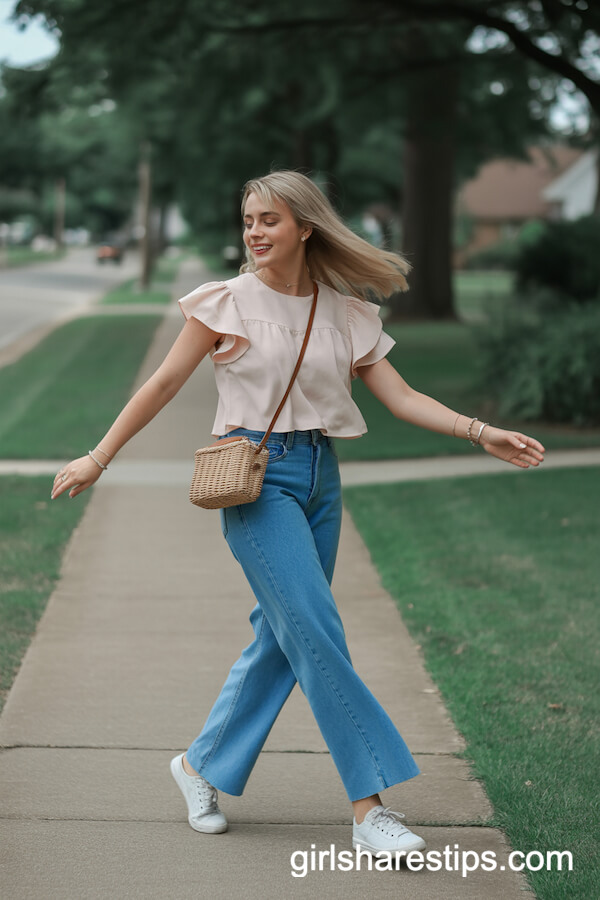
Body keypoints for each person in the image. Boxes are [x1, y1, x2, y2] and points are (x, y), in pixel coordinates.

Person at [51, 170, 545, 858]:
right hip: (255, 482)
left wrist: (477, 430)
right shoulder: (223, 302)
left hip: (320, 478)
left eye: (269, 221)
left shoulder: (344, 312)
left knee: (284, 637)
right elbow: (163, 382)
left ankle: (199, 764)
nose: (254, 232)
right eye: (248, 219)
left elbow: (400, 398)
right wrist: (98, 457)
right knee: (316, 631)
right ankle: (370, 807)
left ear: (305, 228)